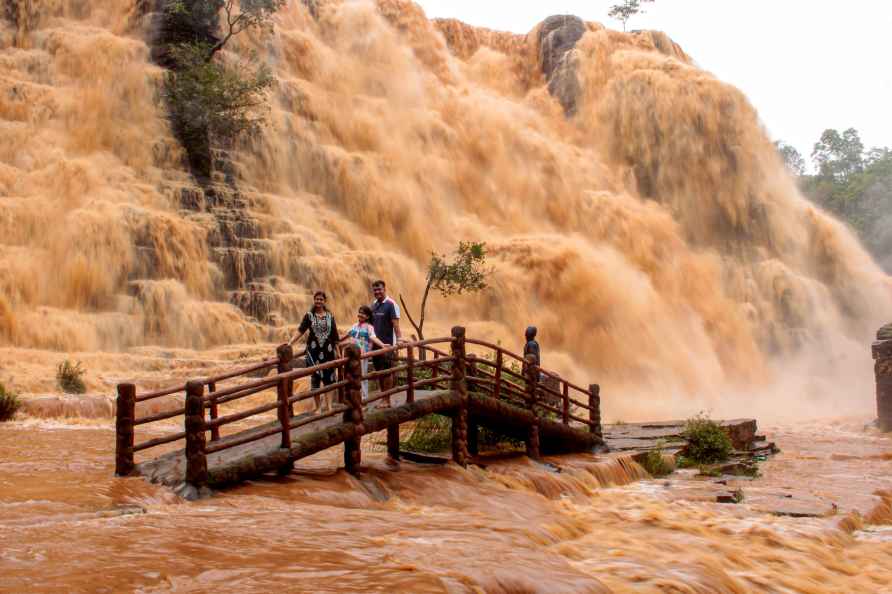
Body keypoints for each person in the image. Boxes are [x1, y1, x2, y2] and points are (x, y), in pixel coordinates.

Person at [289, 291, 339, 412]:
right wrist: (290, 343)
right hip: (314, 352)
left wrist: (337, 351)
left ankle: (329, 406)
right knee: (315, 379)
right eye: (317, 299)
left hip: (328, 351)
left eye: (321, 299)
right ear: (314, 300)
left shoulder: (330, 316)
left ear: (324, 301)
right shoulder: (309, 316)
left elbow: (334, 336)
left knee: (329, 379)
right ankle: (317, 408)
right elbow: (301, 330)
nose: (318, 301)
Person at [341, 305, 387, 400]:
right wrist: (337, 340)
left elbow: (373, 337)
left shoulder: (369, 327)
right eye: (359, 312)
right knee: (350, 375)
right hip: (351, 355)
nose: (360, 315)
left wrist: (383, 345)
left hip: (362, 355)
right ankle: (352, 395)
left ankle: (363, 397)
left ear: (368, 317)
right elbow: (347, 335)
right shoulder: (354, 326)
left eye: (363, 313)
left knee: (361, 374)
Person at [369, 280, 404, 406]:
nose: (377, 292)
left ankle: (387, 399)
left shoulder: (391, 304)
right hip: (375, 345)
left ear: (385, 289)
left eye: (379, 289)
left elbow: (396, 324)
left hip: (388, 344)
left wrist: (399, 339)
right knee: (380, 372)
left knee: (387, 372)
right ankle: (384, 398)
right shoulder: (374, 304)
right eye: (375, 290)